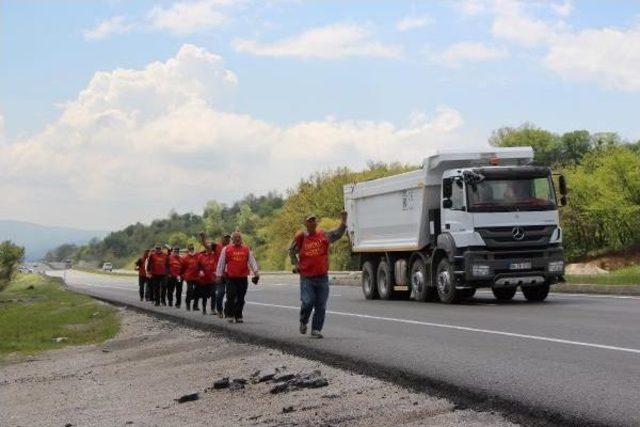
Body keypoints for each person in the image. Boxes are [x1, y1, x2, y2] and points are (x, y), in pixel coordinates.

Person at [289, 212, 347, 338]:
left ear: (316, 223)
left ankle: (316, 329)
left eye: (314, 220)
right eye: (309, 221)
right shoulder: (301, 237)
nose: (312, 222)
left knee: (321, 304)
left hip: (322, 277)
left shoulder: (323, 235)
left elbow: (338, 233)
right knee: (308, 302)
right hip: (307, 277)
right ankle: (303, 321)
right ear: (305, 224)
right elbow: (291, 251)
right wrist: (296, 264)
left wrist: (343, 221)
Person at [215, 231, 259, 323]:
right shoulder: (226, 249)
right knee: (231, 296)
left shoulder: (246, 249)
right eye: (235, 237)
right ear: (232, 239)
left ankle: (238, 315)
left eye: (239, 237)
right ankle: (230, 314)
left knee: (241, 298)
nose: (237, 239)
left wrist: (256, 272)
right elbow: (221, 263)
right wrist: (219, 275)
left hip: (242, 277)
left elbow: (252, 261)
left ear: (241, 238)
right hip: (231, 277)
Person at [200, 232, 231, 318]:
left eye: (228, 238)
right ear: (221, 238)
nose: (227, 239)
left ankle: (227, 311)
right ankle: (219, 310)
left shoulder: (231, 247)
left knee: (231, 294)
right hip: (220, 274)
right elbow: (206, 246)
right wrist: (203, 238)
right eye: (225, 238)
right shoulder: (216, 246)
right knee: (220, 293)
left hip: (230, 274)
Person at [196, 238, 219, 316]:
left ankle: (213, 309)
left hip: (213, 279)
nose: (209, 246)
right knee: (205, 295)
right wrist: (200, 270)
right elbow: (198, 265)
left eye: (210, 245)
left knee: (214, 294)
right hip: (204, 279)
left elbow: (216, 246)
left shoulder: (215, 255)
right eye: (207, 245)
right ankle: (204, 309)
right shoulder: (201, 255)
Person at [181, 243, 200, 311]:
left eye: (192, 248)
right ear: (188, 250)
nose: (192, 250)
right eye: (190, 249)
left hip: (197, 277)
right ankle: (188, 305)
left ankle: (195, 306)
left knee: (197, 291)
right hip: (189, 277)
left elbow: (201, 264)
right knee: (189, 290)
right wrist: (182, 275)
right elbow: (183, 268)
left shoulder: (198, 255)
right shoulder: (185, 257)